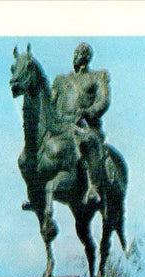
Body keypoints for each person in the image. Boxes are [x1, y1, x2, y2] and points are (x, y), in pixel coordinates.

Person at [50, 42, 112, 205]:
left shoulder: (98, 77)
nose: (77, 57)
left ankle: (94, 187)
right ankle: (37, 192)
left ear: (87, 58)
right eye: (76, 53)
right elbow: (51, 103)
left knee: (88, 141)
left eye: (81, 54)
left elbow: (103, 101)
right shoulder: (62, 80)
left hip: (86, 126)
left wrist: (86, 112)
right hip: (63, 126)